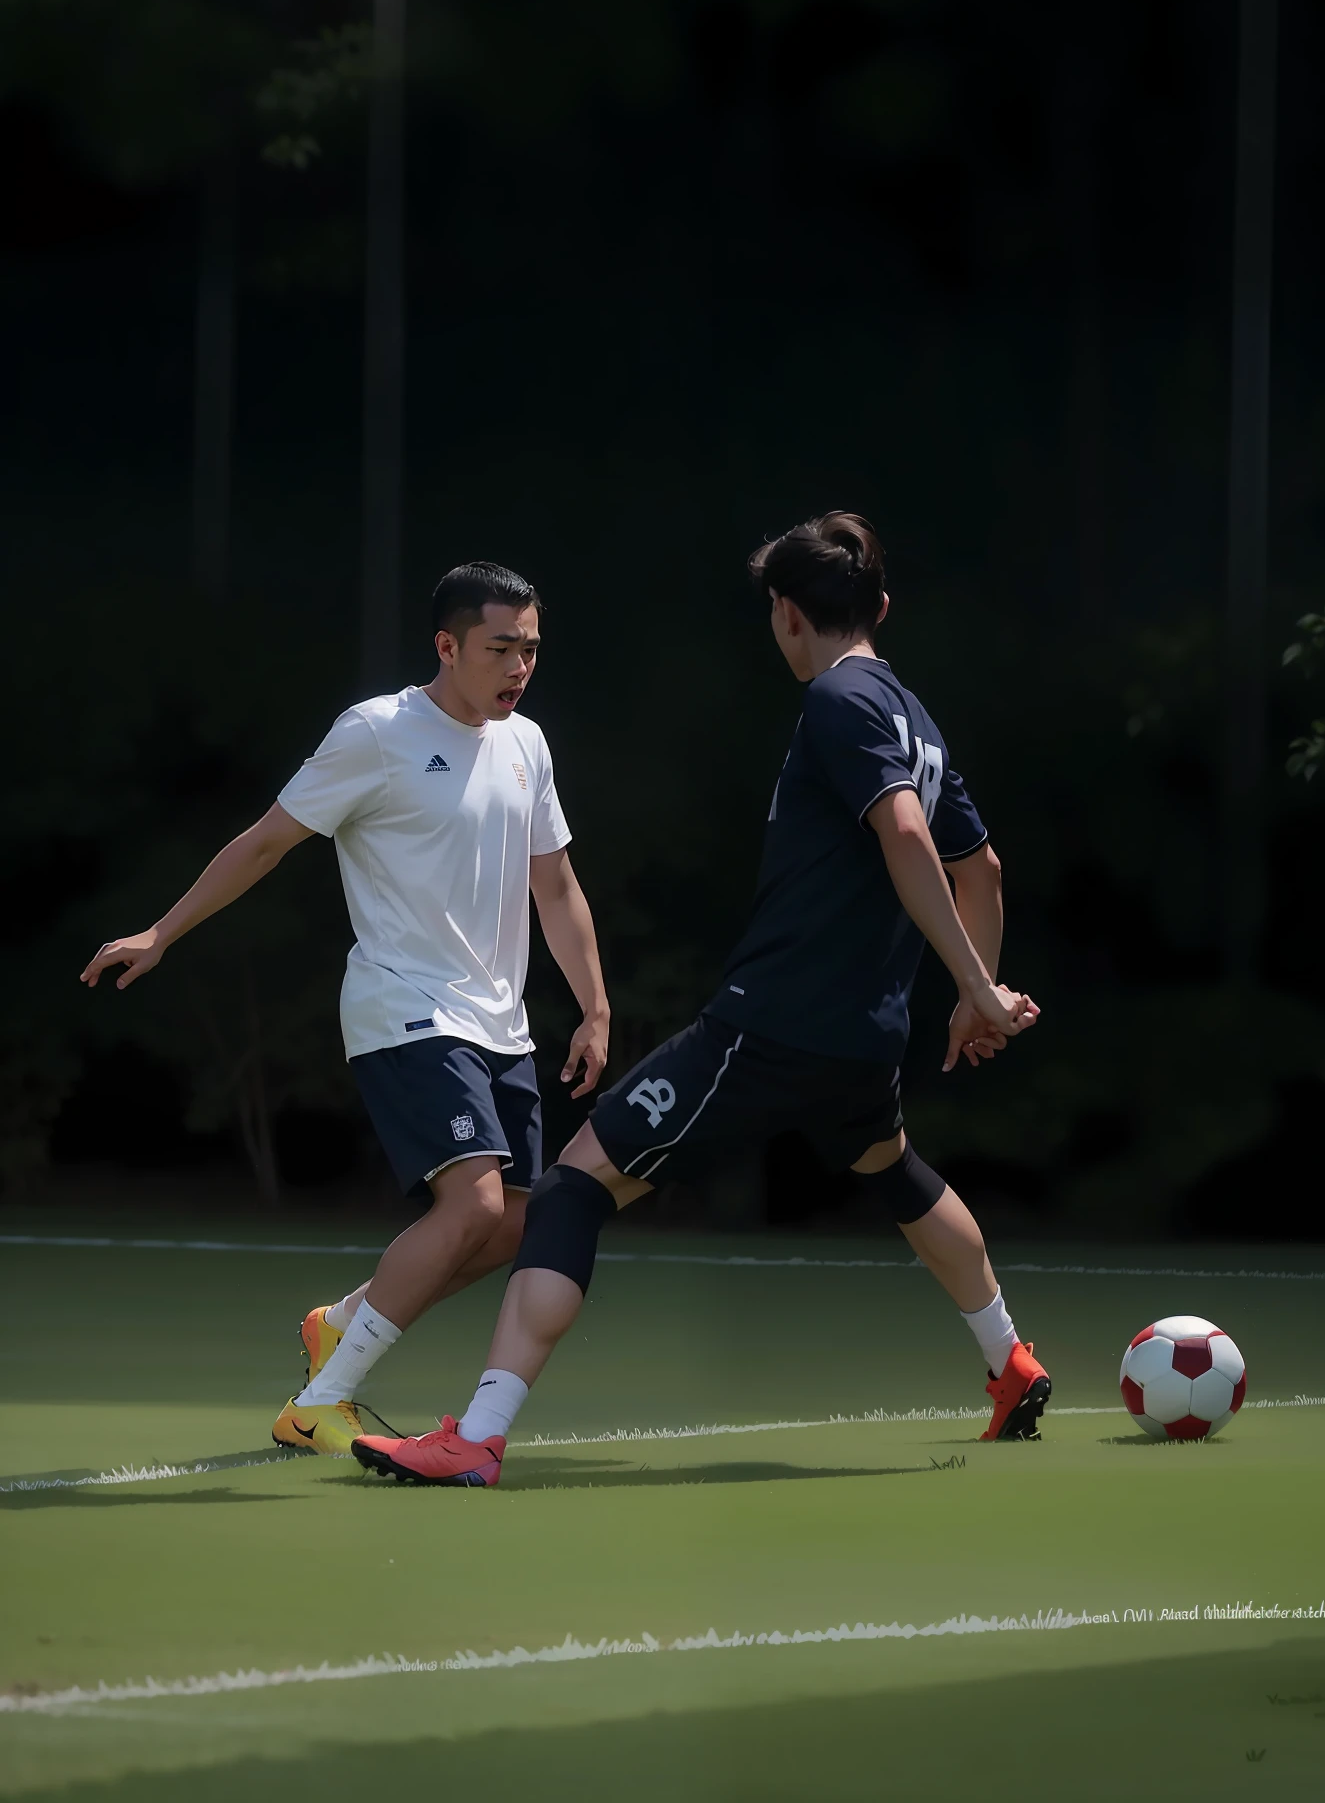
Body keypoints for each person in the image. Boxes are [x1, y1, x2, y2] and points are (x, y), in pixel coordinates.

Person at [351, 515, 1047, 1488]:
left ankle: (478, 1434)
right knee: (893, 1169)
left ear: (787, 615)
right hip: (864, 1036)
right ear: (880, 609)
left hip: (770, 1026)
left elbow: (900, 829)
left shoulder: (837, 700)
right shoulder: (913, 717)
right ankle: (1009, 1360)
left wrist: (975, 986)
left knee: (570, 1188)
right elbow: (985, 867)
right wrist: (976, 989)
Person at [80, 561, 610, 1457]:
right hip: (403, 1005)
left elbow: (555, 886)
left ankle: (346, 1320)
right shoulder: (377, 733)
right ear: (447, 647)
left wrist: (594, 1006)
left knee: (513, 1222)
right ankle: (320, 1402)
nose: (519, 666)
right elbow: (265, 844)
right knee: (475, 1203)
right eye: (499, 648)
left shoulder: (528, 745)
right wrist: (161, 933)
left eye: (530, 648)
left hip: (499, 1022)